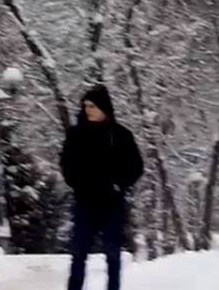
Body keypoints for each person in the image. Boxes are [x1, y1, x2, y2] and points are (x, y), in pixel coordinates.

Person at [60, 85, 144, 290]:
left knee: (112, 254)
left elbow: (136, 165)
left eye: (93, 106)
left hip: (112, 202)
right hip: (85, 201)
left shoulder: (120, 135)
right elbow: (66, 163)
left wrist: (120, 184)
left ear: (104, 108)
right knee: (79, 253)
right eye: (86, 105)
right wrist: (77, 184)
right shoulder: (76, 134)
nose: (88, 110)